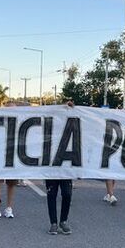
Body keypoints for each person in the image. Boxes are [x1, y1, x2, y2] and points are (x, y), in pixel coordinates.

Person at [47, 100, 75, 235]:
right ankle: (53, 223)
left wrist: (70, 108)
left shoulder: (70, 124)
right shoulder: (49, 126)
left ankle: (63, 221)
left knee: (67, 194)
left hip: (66, 165)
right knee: (51, 194)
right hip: (51, 166)